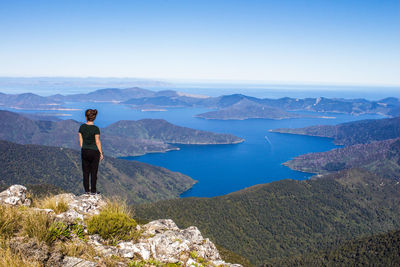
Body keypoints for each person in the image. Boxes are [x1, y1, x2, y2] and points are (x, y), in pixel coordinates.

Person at [78, 109, 104, 194]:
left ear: (86, 117)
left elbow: (80, 141)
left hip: (85, 151)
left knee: (85, 172)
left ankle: (86, 190)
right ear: (94, 118)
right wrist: (101, 153)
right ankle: (93, 191)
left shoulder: (82, 127)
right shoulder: (95, 129)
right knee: (94, 172)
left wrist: (84, 148)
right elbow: (97, 141)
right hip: (94, 152)